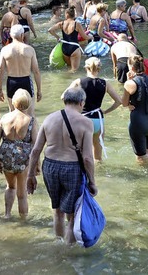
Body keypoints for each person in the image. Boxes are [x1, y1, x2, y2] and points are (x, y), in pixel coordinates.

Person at [26, 87, 96, 244]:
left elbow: (36, 149)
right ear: (81, 102)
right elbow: (87, 158)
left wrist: (30, 175)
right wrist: (92, 182)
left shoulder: (50, 118)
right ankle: (68, 252)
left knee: (57, 211)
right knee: (72, 215)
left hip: (50, 166)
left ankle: (58, 243)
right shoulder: (86, 122)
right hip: (72, 169)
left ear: (64, 101)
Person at [67, 57, 122, 161]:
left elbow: (64, 97)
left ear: (86, 68)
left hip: (82, 119)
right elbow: (119, 101)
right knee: (98, 156)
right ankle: (98, 174)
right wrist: (105, 111)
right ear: (99, 68)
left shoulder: (79, 81)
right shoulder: (105, 83)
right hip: (98, 119)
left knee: (79, 152)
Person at [0, 89, 36, 219]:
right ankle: (23, 220)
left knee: (10, 187)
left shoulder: (5, 118)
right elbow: (36, 144)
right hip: (22, 157)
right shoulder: (30, 120)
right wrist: (36, 164)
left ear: (14, 102)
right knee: (22, 194)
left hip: (5, 155)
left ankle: (7, 214)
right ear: (28, 103)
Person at [121, 55, 148, 163]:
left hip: (138, 122)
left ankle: (144, 178)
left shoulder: (129, 83)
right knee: (147, 152)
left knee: (140, 157)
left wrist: (129, 104)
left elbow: (123, 103)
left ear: (132, 68)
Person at [0, 24, 42, 112]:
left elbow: (0, 71)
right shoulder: (30, 49)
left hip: (11, 82)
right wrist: (39, 90)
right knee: (29, 113)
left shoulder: (5, 50)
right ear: (22, 35)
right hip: (26, 81)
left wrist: (0, 90)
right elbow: (36, 71)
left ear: (10, 35)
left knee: (12, 112)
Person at [48, 6, 90, 72]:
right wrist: (91, 37)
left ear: (67, 14)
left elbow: (50, 30)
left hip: (64, 48)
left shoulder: (61, 23)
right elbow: (85, 37)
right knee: (74, 70)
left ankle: (64, 80)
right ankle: (69, 79)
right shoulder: (77, 24)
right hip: (74, 48)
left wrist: (57, 37)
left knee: (68, 68)